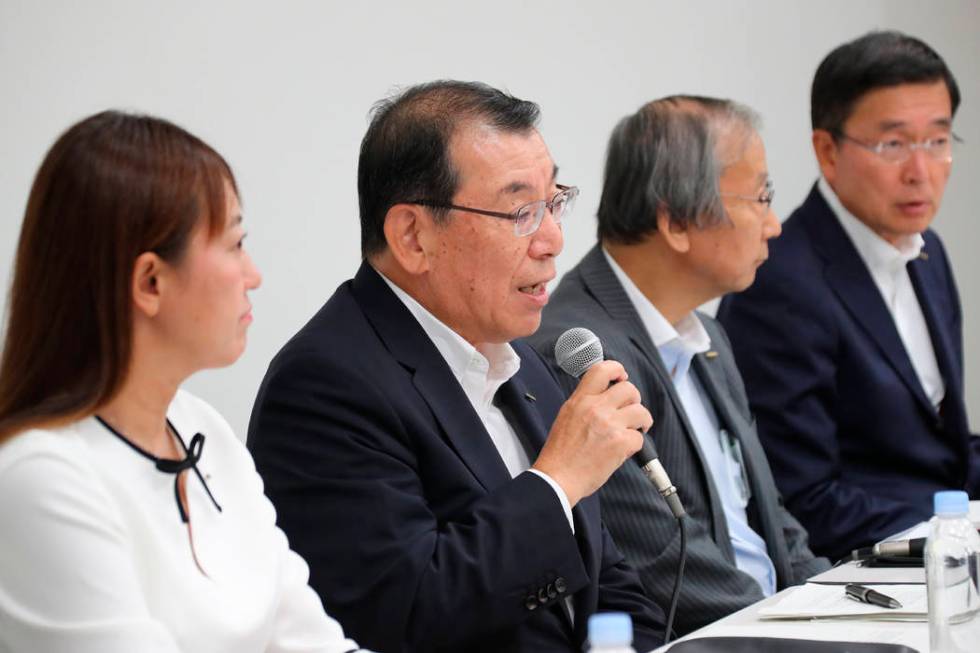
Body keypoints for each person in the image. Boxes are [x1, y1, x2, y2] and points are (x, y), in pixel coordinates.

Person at [247, 80, 667, 653]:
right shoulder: (324, 386)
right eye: (520, 211)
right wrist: (558, 481)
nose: (552, 239)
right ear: (413, 236)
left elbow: (612, 590)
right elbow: (407, 612)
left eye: (554, 202)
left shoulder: (528, 365)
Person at [0, 111, 365, 653]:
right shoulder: (42, 479)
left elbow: (311, 642)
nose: (254, 275)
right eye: (236, 244)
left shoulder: (201, 427)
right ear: (150, 281)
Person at [529, 95, 829, 635]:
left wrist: (836, 603)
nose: (774, 225)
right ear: (676, 220)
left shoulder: (707, 333)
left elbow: (769, 516)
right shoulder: (580, 350)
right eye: (761, 198)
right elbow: (665, 564)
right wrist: (803, 633)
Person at [718, 31, 978, 561]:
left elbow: (946, 451)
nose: (920, 172)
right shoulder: (780, 281)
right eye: (894, 144)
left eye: (937, 141)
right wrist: (958, 531)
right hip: (863, 572)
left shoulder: (929, 253)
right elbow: (805, 498)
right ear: (828, 151)